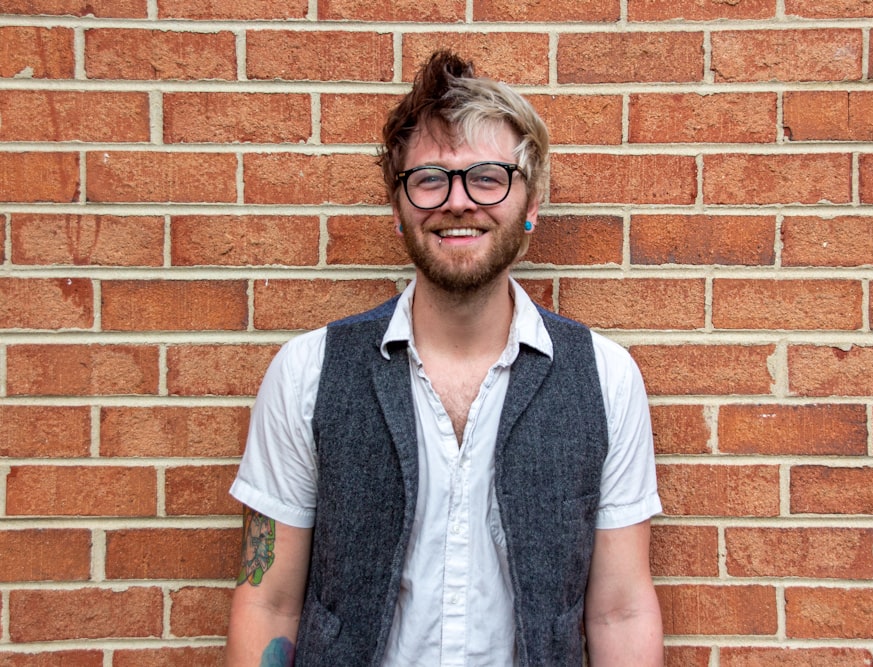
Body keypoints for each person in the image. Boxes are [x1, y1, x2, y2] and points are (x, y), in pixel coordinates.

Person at [225, 50, 663, 667]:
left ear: (531, 202)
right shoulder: (308, 373)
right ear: (399, 208)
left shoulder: (605, 380)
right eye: (429, 178)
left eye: (488, 176)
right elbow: (268, 603)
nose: (457, 201)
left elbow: (620, 610)